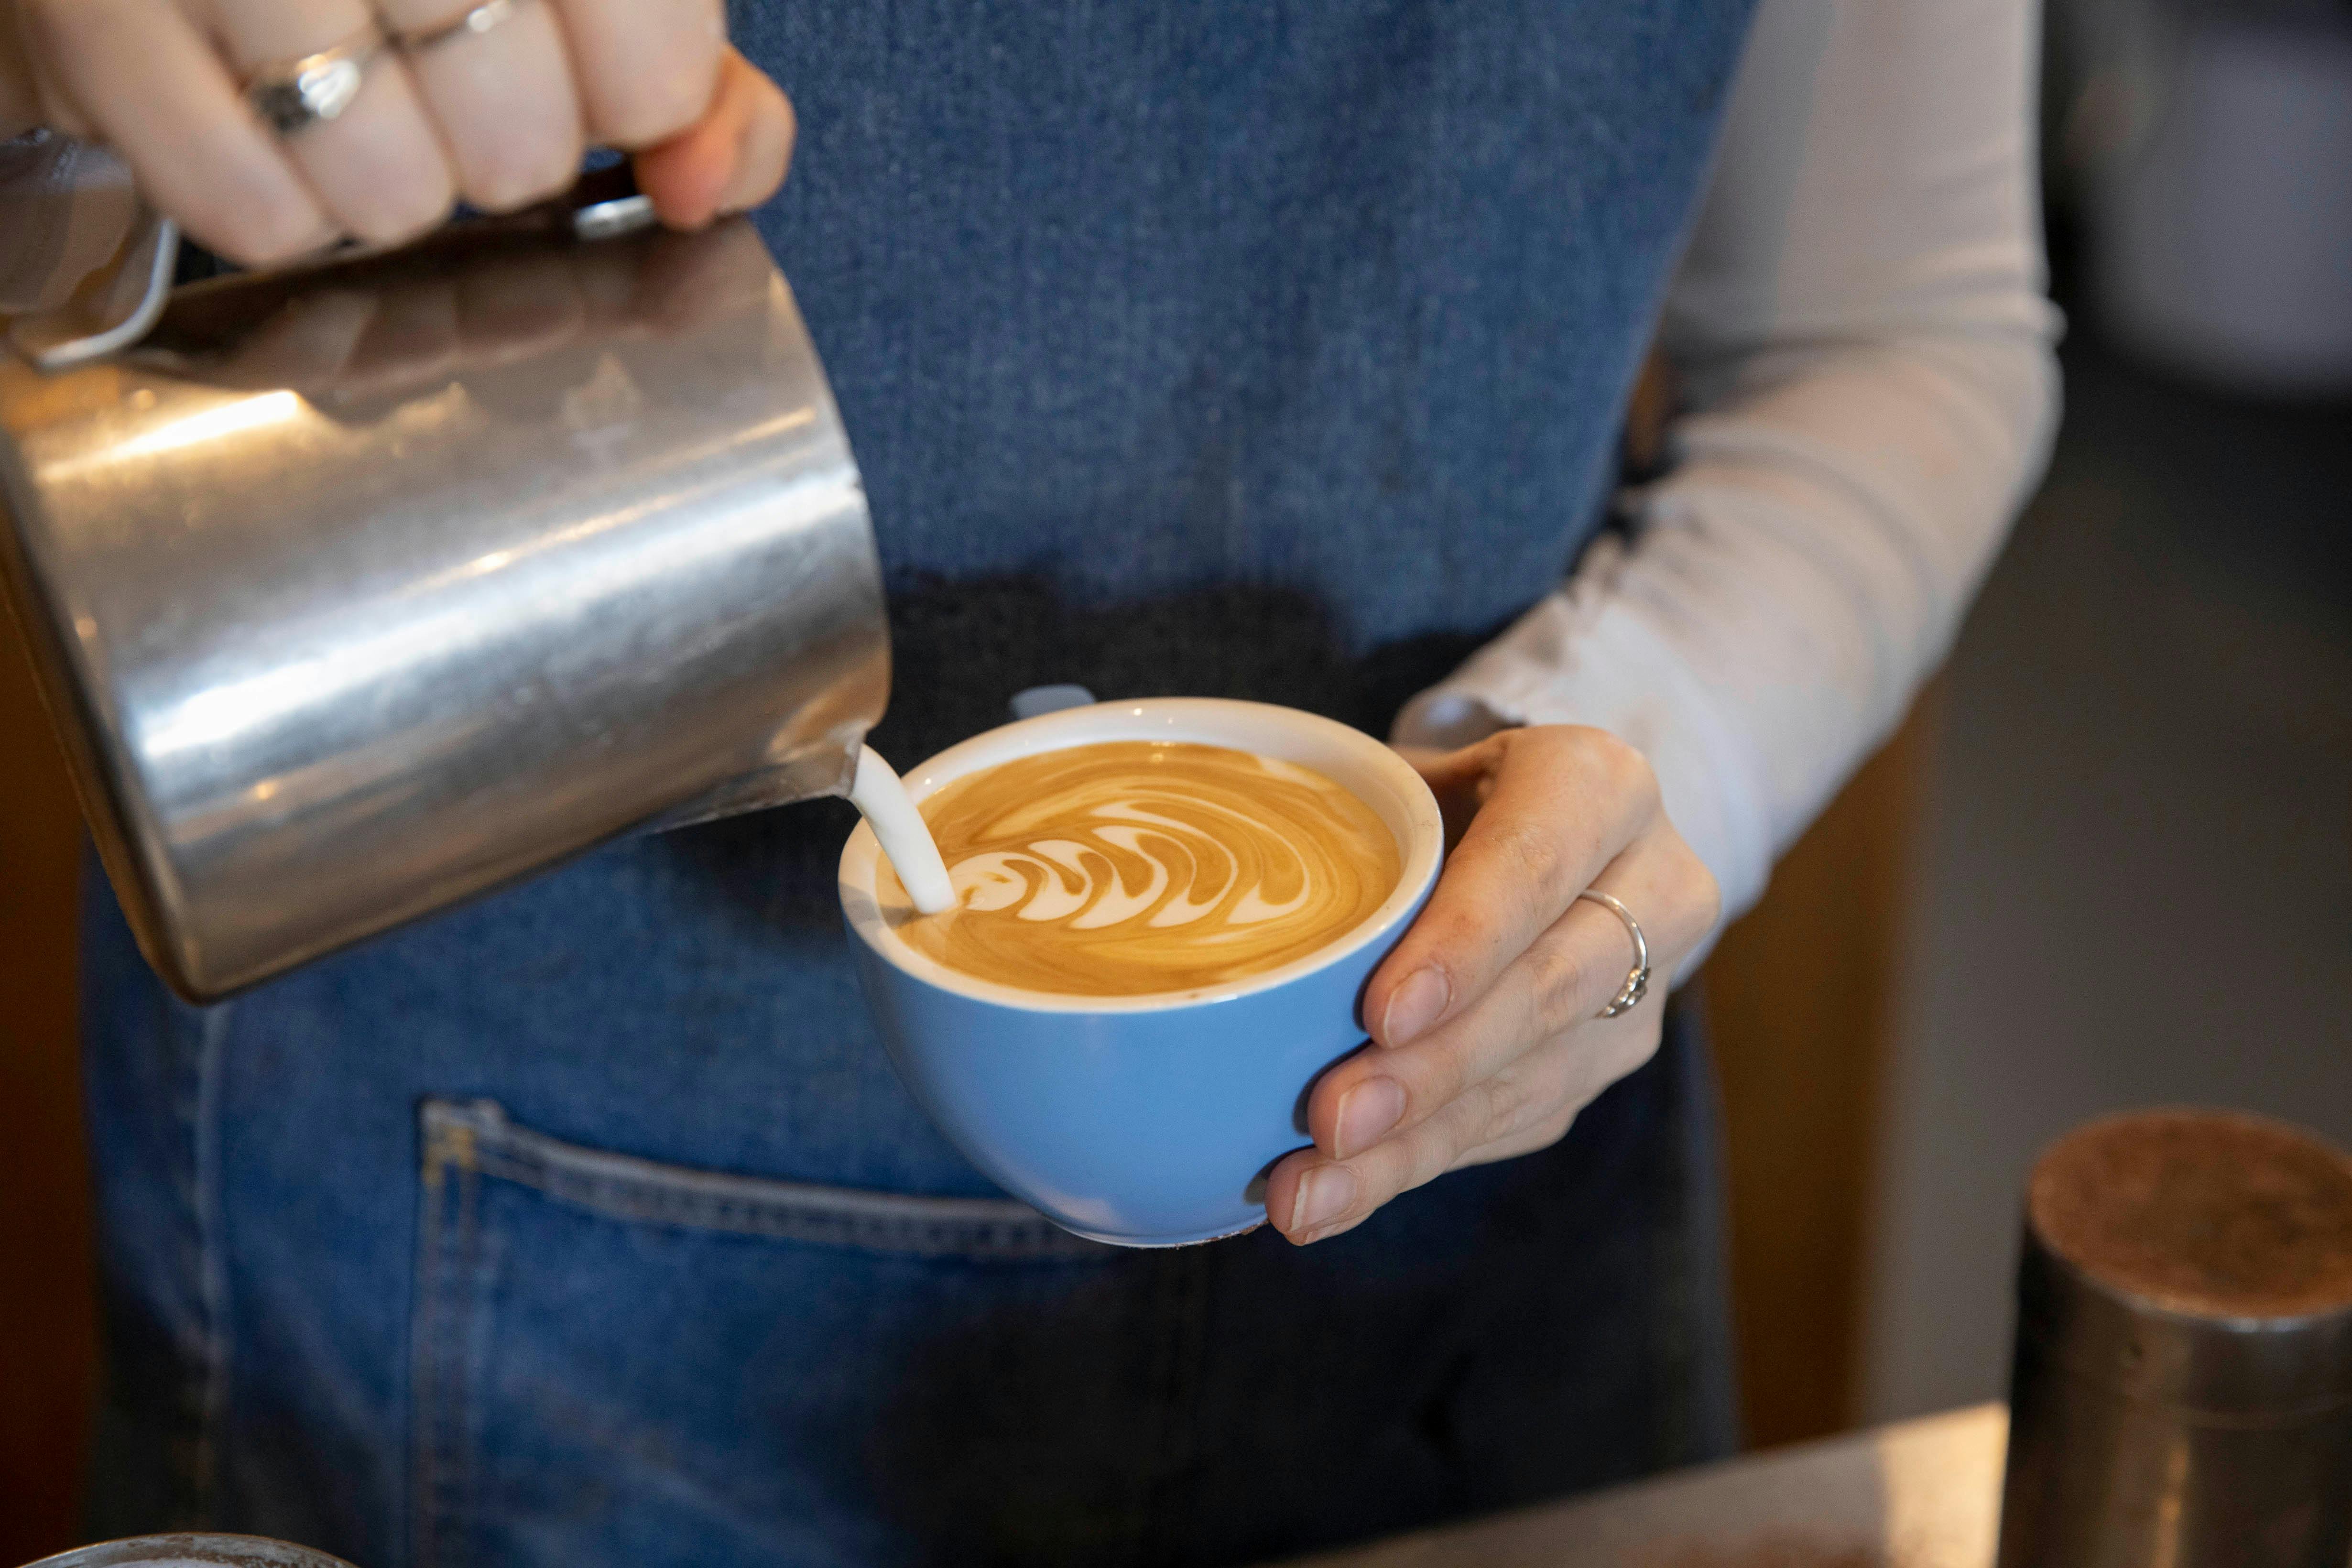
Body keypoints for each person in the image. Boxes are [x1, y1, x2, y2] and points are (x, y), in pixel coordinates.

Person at [4, 0, 2058, 1562]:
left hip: (1479, 1215)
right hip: (492, 1259)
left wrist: (1658, 743)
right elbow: (58, 196)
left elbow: (1893, 327)